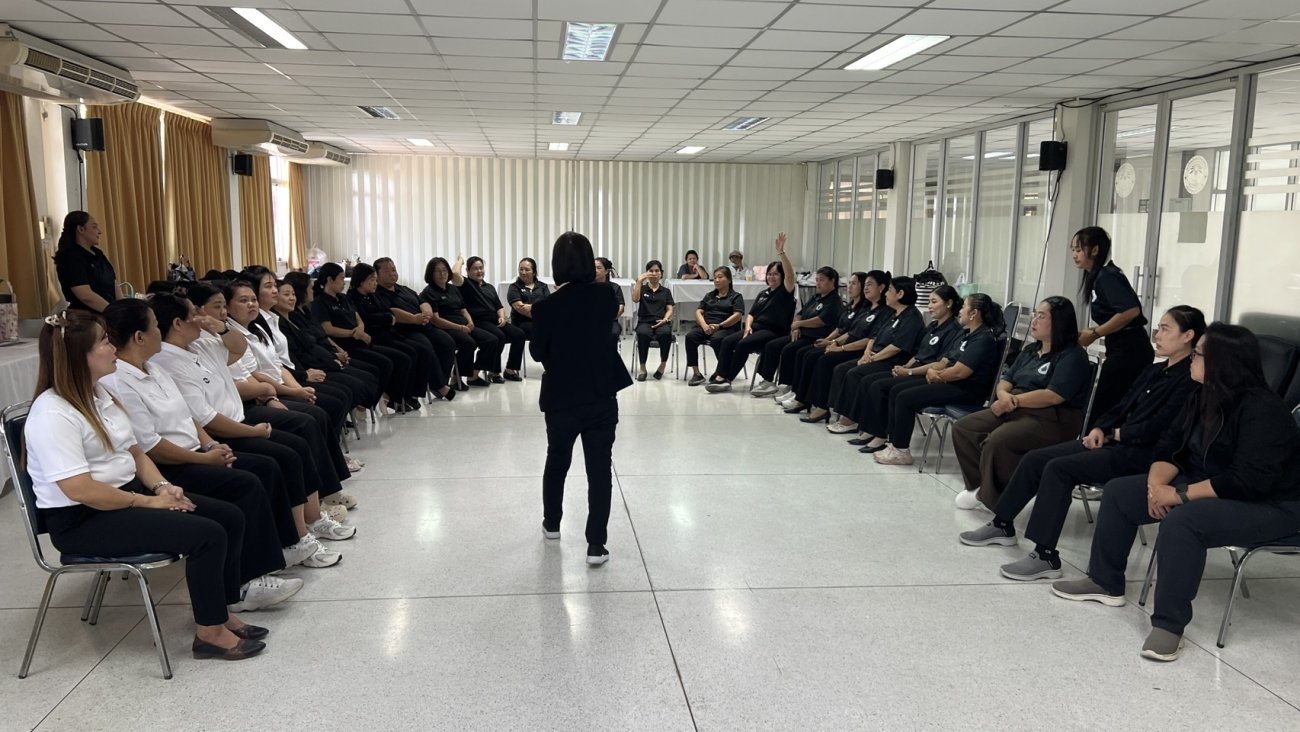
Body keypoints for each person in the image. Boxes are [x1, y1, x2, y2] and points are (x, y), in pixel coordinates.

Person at [1050, 323, 1300, 662]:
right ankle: (1105, 582)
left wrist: (1178, 496)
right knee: (1122, 492)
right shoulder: (1201, 395)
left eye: (1197, 354)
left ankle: (1169, 625)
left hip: (1273, 504)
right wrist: (1156, 488)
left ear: (1222, 362)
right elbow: (1170, 446)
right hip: (1213, 483)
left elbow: (1247, 480)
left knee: (1184, 521)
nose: (1192, 359)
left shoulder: (1264, 409)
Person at [25, 310, 266, 660]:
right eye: (104, 342)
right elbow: (80, 490)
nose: (113, 348)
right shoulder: (53, 414)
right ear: (80, 356)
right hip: (83, 519)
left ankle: (221, 612)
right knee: (208, 534)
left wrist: (161, 487)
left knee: (229, 516)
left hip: (123, 498)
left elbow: (136, 452)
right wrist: (148, 502)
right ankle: (209, 634)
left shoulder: (98, 394)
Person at [960, 305, 1205, 581]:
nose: (1157, 334)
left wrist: (1115, 434)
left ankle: (1045, 556)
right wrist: (1100, 427)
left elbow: (1161, 427)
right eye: (1158, 328)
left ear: (1188, 336)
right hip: (1115, 441)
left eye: (1165, 329)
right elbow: (1121, 405)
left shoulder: (1190, 380)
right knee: (1036, 459)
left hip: (1143, 455)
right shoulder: (1154, 370)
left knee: (1059, 469)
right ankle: (1002, 523)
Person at [101, 299, 303, 611]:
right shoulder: (120, 382)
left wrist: (210, 445)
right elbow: (151, 447)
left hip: (194, 452)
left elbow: (189, 417)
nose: (160, 331)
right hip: (169, 466)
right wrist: (203, 459)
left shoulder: (154, 368)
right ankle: (246, 582)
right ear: (139, 337)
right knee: (246, 484)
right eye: (154, 326)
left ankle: (274, 553)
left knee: (265, 466)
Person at [149, 292, 346, 568]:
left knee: (296, 445)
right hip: (220, 433)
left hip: (233, 423)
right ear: (178, 323)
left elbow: (238, 349)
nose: (203, 317)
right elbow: (204, 418)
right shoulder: (166, 363)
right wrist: (248, 432)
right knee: (280, 459)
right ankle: (294, 539)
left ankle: (306, 526)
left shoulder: (200, 343)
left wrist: (223, 328)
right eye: (196, 312)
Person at [189, 282, 358, 521]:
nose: (224, 312)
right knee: (306, 424)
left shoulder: (241, 331)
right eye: (241, 301)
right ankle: (316, 507)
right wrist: (270, 394)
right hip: (243, 407)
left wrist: (292, 389)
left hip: (254, 399)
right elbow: (238, 385)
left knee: (324, 407)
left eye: (252, 300)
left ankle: (325, 494)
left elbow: (270, 364)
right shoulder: (194, 347)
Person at [531, 232, 633, 567]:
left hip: (561, 395)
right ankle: (596, 544)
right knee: (599, 468)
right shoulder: (605, 296)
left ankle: (552, 523)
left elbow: (537, 352)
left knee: (557, 460)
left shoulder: (544, 306)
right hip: (600, 392)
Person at [951, 296, 1093, 511]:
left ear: (1059, 322)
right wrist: (1003, 395)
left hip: (1053, 417)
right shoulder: (1030, 350)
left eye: (1041, 316)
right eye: (1034, 314)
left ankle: (994, 499)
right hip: (1014, 405)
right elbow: (1006, 379)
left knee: (997, 441)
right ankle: (980, 486)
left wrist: (1013, 401)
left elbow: (1053, 396)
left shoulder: (1072, 355)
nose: (1034, 320)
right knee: (964, 428)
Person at [858, 293, 1006, 464]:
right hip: (950, 383)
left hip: (967, 390)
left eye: (964, 307)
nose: (960, 311)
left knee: (905, 397)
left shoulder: (983, 339)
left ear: (974, 313)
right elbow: (945, 361)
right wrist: (933, 370)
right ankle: (892, 443)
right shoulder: (967, 335)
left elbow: (960, 372)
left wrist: (937, 375)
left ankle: (901, 451)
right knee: (896, 389)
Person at [844, 285, 965, 451]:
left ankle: (882, 436)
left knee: (881, 386)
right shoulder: (932, 326)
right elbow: (919, 353)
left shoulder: (954, 330)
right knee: (870, 381)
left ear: (949, 303)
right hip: (913, 369)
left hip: (926, 374)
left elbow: (940, 363)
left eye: (934, 302)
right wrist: (905, 366)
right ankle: (870, 430)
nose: (929, 306)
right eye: (929, 301)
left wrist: (909, 372)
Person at [811, 276, 924, 425]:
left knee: (855, 373)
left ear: (900, 294)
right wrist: (867, 353)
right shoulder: (893, 314)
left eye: (889, 290)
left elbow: (896, 347)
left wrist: (872, 358)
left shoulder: (912, 317)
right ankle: (840, 412)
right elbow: (874, 336)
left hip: (893, 362)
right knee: (842, 368)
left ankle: (851, 419)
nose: (886, 294)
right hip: (875, 356)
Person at [1072, 227, 1154, 423]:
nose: (1074, 255)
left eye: (1079, 249)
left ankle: (1097, 436)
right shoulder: (1097, 276)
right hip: (1120, 345)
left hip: (1131, 348)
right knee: (1108, 401)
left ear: (1095, 250)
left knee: (1104, 402)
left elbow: (1130, 311)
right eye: (1073, 250)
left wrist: (1095, 333)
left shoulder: (1107, 276)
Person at [778, 270, 889, 413]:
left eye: (855, 283)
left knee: (822, 359)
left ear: (881, 288)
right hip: (845, 345)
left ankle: (819, 404)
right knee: (807, 354)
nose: (850, 287)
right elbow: (846, 331)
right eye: (849, 283)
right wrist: (832, 342)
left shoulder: (881, 311)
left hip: (856, 350)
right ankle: (800, 395)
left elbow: (869, 338)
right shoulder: (864, 309)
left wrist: (838, 346)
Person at [280, 272, 388, 411]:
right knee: (354, 385)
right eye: (310, 288)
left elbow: (323, 335)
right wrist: (334, 357)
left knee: (373, 371)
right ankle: (359, 407)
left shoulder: (307, 310)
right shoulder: (299, 314)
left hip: (330, 353)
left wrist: (338, 350)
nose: (313, 290)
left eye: (293, 294)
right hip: (318, 362)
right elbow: (313, 344)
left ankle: (363, 405)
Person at [312, 262, 415, 405]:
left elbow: (358, 318)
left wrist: (360, 330)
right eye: (341, 279)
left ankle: (392, 399)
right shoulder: (320, 302)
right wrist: (352, 333)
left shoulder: (344, 298)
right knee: (384, 364)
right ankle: (369, 402)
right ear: (330, 280)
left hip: (360, 340)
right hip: (345, 345)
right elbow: (327, 329)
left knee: (400, 358)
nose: (344, 283)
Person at [706, 233, 796, 392]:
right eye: (769, 274)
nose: (772, 277)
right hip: (755, 328)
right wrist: (747, 326)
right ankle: (720, 375)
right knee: (727, 341)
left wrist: (781, 253)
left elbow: (790, 275)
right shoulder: (763, 293)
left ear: (782, 276)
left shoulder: (785, 291)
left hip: (773, 331)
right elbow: (751, 314)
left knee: (743, 344)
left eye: (776, 274)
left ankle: (727, 379)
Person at [752, 266, 843, 397]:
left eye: (821, 280)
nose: (818, 283)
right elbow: (800, 313)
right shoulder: (816, 297)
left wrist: (799, 324)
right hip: (801, 333)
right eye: (817, 280)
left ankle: (790, 385)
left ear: (832, 281)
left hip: (815, 336)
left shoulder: (834, 301)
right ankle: (768, 381)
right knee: (772, 345)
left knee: (789, 350)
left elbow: (821, 320)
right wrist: (796, 327)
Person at [347, 263, 428, 410]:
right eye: (372, 279)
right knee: (403, 358)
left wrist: (385, 318)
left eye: (375, 279)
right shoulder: (352, 298)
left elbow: (388, 312)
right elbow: (366, 319)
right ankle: (395, 398)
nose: (375, 283)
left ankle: (409, 394)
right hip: (374, 338)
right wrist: (386, 318)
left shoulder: (372, 296)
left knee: (417, 350)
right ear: (361, 281)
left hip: (388, 334)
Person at [373, 257, 456, 400]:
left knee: (447, 342)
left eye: (394, 269)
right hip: (406, 330)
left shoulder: (404, 289)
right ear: (377, 274)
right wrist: (414, 318)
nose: (392, 273)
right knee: (425, 346)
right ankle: (438, 386)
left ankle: (440, 381)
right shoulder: (377, 294)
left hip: (424, 324)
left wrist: (427, 313)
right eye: (387, 271)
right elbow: (391, 312)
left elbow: (422, 301)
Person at [420, 256, 500, 389]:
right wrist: (459, 327)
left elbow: (463, 309)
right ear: (431, 274)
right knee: (468, 343)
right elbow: (436, 319)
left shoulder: (453, 289)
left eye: (444, 270)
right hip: (446, 327)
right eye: (438, 271)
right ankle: (455, 379)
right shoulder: (428, 292)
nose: (442, 274)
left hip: (463, 324)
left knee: (491, 340)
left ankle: (473, 375)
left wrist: (470, 322)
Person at [461, 256, 526, 382]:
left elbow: (499, 306)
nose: (479, 271)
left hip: (495, 319)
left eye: (481, 268)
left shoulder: (489, 287)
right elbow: (454, 274)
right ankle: (492, 372)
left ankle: (510, 370)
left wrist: (502, 317)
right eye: (475, 268)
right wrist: (460, 260)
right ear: (468, 271)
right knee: (499, 336)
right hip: (479, 321)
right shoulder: (466, 285)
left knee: (519, 334)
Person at [684, 267, 745, 386]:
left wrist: (720, 326)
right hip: (707, 326)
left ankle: (721, 371)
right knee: (690, 337)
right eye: (715, 277)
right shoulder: (709, 296)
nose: (716, 280)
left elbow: (738, 315)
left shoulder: (736, 296)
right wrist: (704, 325)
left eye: (720, 277)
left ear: (729, 280)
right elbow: (699, 311)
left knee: (717, 339)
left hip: (726, 328)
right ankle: (696, 373)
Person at [53, 211, 120, 312]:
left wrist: (123, 309)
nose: (99, 231)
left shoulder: (98, 254)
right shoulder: (70, 258)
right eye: (94, 227)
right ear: (81, 229)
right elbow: (86, 296)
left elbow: (114, 284)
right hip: (87, 317)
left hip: (109, 313)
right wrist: (114, 312)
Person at [631, 260, 675, 381]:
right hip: (644, 321)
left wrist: (665, 319)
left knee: (666, 333)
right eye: (651, 271)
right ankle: (642, 368)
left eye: (657, 271)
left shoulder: (666, 291)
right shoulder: (642, 288)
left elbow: (670, 309)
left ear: (661, 273)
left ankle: (662, 365)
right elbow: (635, 299)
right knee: (643, 334)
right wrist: (639, 281)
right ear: (646, 273)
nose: (654, 273)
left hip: (661, 321)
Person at [595, 257, 624, 337]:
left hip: (610, 321)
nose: (595, 270)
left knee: (613, 333)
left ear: (606, 271)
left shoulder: (614, 287)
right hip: (590, 320)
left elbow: (621, 307)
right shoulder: (587, 286)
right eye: (593, 268)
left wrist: (610, 318)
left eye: (599, 268)